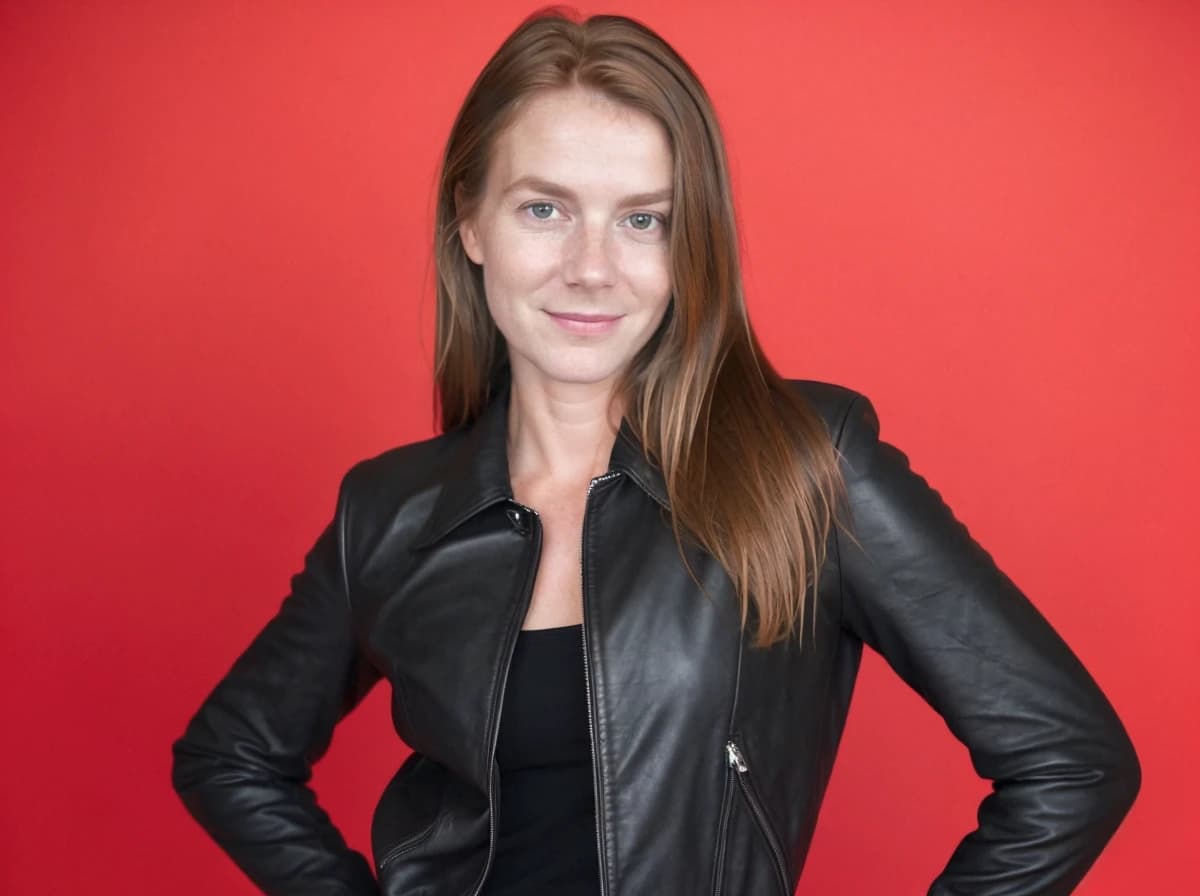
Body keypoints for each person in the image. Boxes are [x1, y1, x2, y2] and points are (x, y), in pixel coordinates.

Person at [170, 8, 1140, 896]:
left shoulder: (806, 464)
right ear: (470, 222)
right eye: (544, 208)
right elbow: (231, 752)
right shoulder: (390, 512)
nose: (592, 265)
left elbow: (1072, 758)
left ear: (691, 246)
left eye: (644, 219)